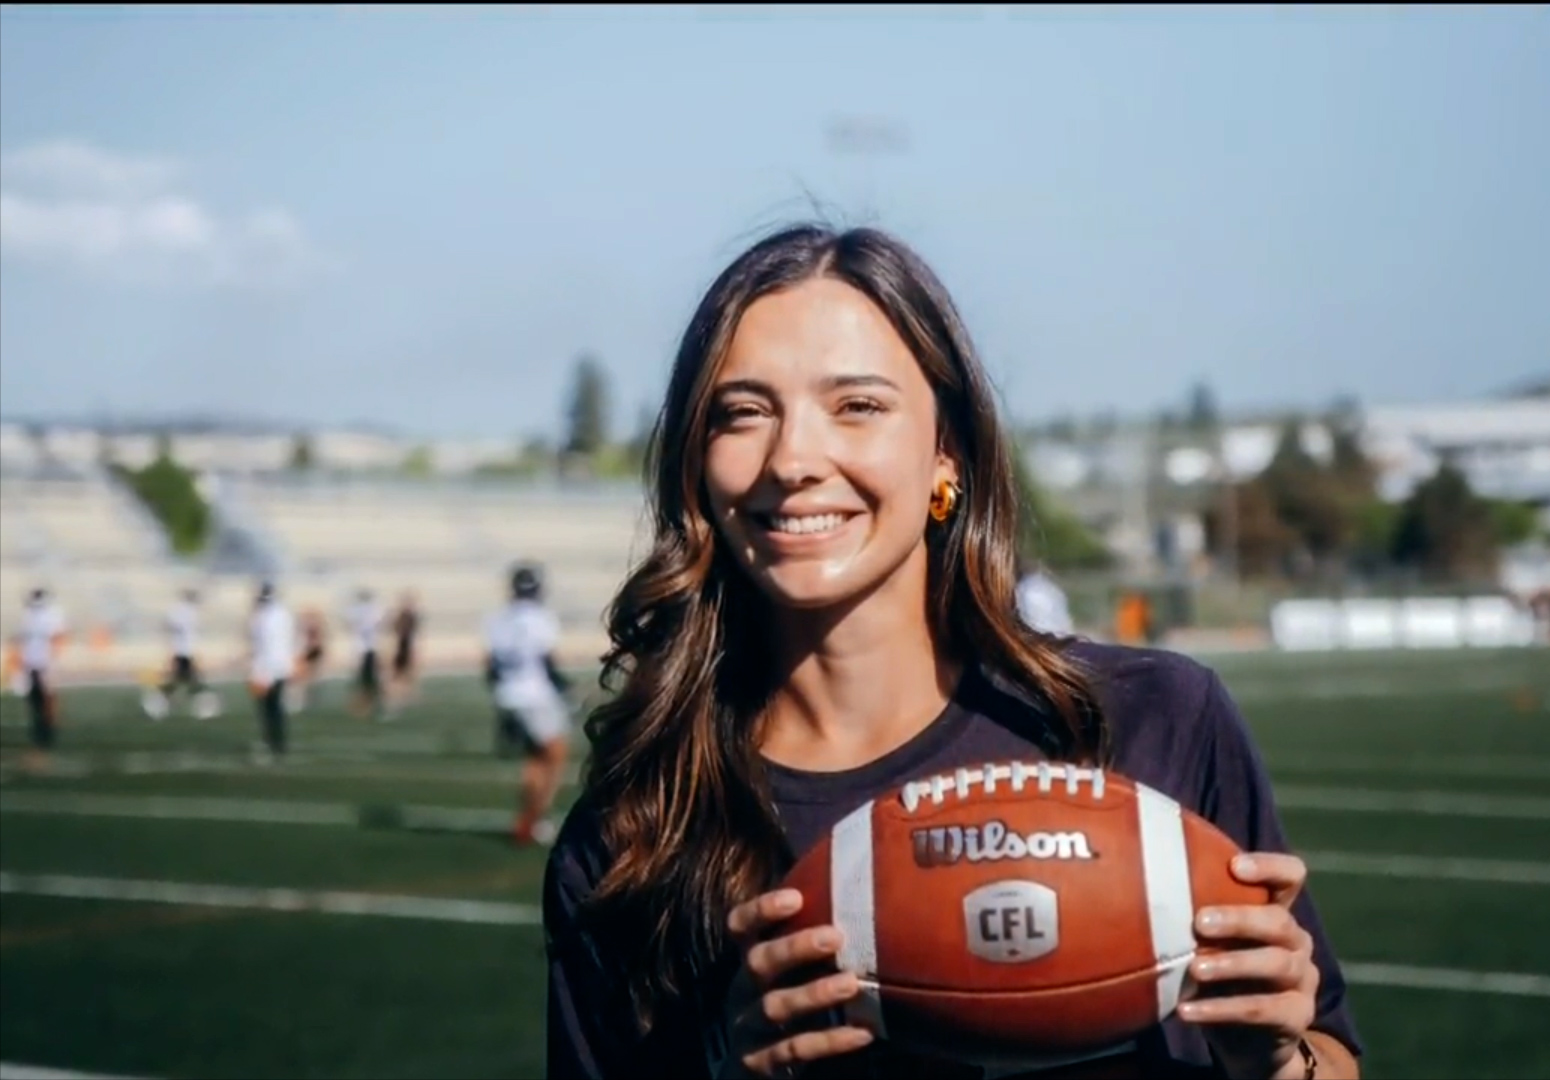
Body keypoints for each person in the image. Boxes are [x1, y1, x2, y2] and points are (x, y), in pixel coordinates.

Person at [543, 225, 1363, 1080]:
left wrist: (1276, 1060)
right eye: (741, 413)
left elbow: (1329, 1059)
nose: (791, 459)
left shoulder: (1158, 717)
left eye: (856, 405)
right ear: (696, 465)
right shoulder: (635, 836)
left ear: (949, 455)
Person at [484, 563, 570, 847]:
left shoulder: (498, 619)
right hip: (535, 695)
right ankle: (531, 819)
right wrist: (566, 688)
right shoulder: (541, 618)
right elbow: (547, 662)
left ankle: (529, 819)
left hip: (508, 695)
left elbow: (491, 667)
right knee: (556, 755)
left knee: (534, 757)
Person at [13, 587, 68, 772]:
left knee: (45, 703)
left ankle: (44, 741)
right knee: (35, 704)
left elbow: (58, 639)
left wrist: (53, 662)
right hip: (32, 665)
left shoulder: (52, 615)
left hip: (44, 664)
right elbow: (22, 641)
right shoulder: (29, 616)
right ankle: (40, 740)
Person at [144, 588, 219, 721]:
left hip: (181, 651)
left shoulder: (178, 611)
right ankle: (158, 702)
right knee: (190, 681)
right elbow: (184, 631)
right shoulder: (189, 612)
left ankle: (159, 702)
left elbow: (168, 627)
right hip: (184, 651)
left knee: (182, 680)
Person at [248, 582, 298, 764]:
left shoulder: (263, 617)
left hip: (268, 667)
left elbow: (264, 646)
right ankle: (278, 743)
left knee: (269, 708)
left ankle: (272, 742)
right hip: (282, 666)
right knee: (277, 707)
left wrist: (261, 672)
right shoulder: (284, 614)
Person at [346, 588, 387, 720]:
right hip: (369, 648)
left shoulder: (359, 610)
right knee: (370, 680)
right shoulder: (374, 610)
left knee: (367, 680)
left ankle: (367, 706)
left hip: (364, 649)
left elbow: (350, 623)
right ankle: (369, 705)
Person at [1015, 556, 1076, 637]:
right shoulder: (1049, 587)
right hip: (1061, 637)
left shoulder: (1026, 591)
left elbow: (1036, 625)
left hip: (1045, 639)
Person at [391, 590, 423, 709]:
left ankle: (408, 694)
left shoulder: (411, 616)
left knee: (408, 671)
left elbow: (415, 632)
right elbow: (396, 630)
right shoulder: (401, 616)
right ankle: (399, 694)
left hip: (407, 645)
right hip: (402, 646)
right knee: (399, 672)